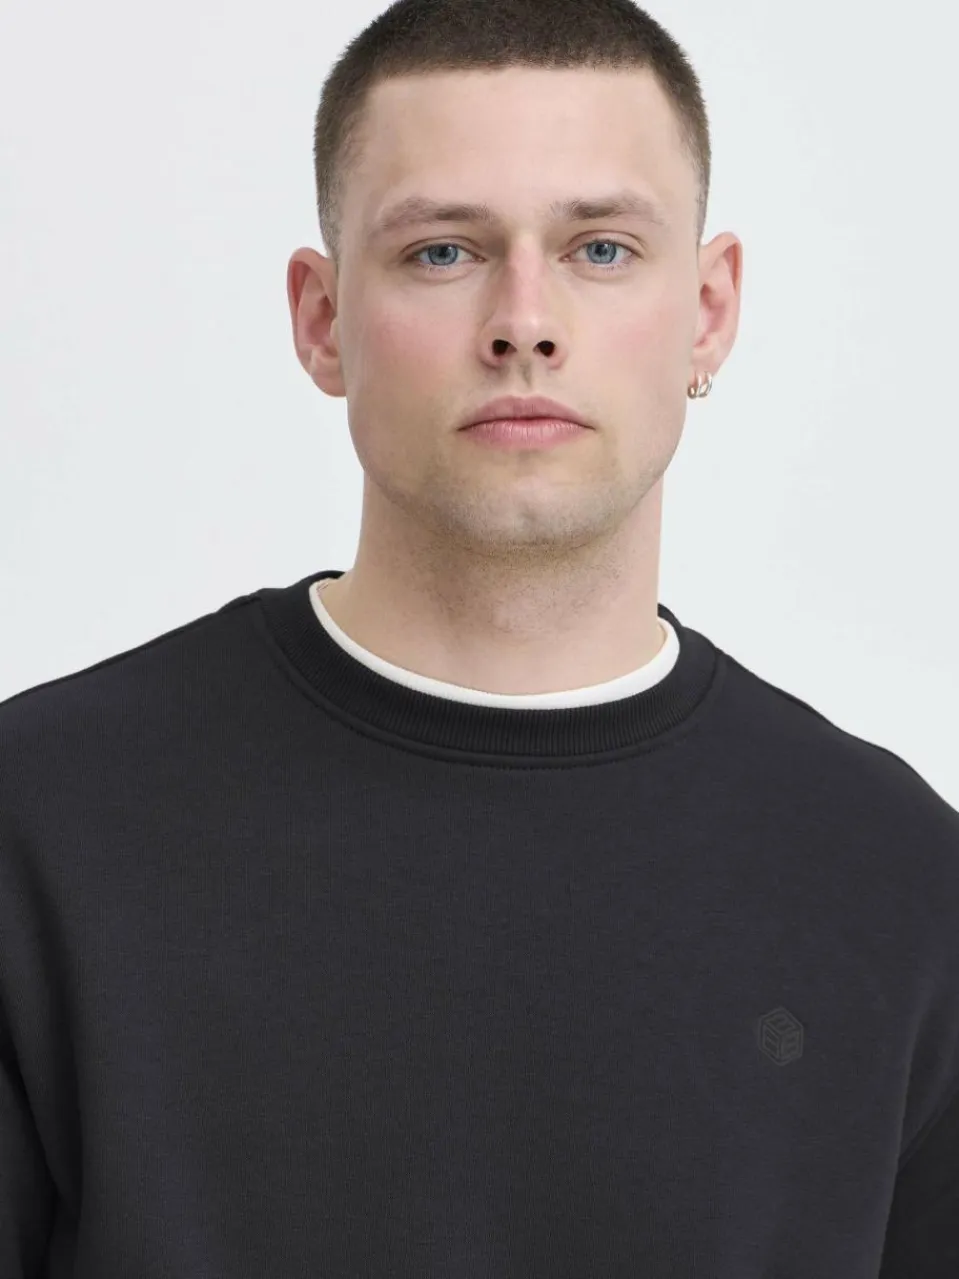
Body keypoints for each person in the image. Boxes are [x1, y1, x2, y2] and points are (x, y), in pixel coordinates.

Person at [2, 0, 957, 1274]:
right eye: (442, 251)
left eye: (600, 248)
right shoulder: (41, 822)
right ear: (322, 319)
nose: (523, 320)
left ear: (708, 310)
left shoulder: (897, 883)